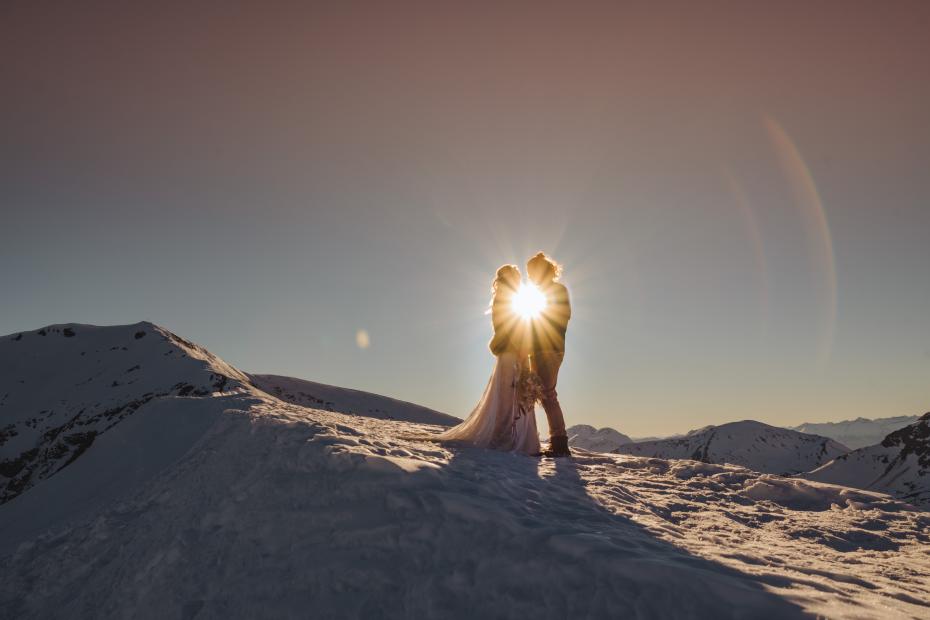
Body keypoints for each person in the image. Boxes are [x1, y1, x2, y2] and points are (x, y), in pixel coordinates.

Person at [433, 265, 541, 454]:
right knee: (508, 395)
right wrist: (521, 350)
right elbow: (509, 328)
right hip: (512, 353)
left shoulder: (511, 299)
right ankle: (506, 437)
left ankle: (518, 438)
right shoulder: (505, 299)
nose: (517, 279)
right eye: (514, 276)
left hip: (518, 352)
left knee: (518, 394)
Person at [527, 252, 572, 457]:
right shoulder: (541, 293)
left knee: (547, 394)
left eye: (532, 273)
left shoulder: (557, 291)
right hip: (539, 349)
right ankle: (554, 441)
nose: (530, 278)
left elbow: (560, 318)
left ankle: (560, 443)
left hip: (549, 349)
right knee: (541, 394)